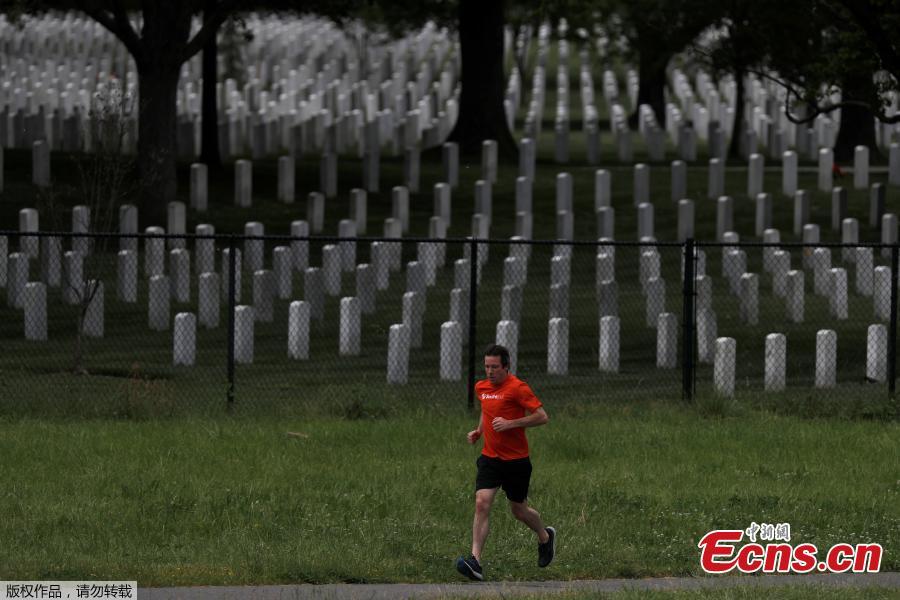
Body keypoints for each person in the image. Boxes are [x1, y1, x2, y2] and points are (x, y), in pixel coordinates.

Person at [455, 344, 555, 581]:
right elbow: (486, 409)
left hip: (516, 461)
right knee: (482, 503)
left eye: (495, 367)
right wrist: (479, 431)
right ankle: (475, 561)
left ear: (506, 366)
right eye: (487, 367)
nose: (490, 372)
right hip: (490, 458)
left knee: (519, 511)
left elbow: (542, 417)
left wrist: (511, 423)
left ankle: (545, 537)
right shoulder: (481, 387)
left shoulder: (518, 388)